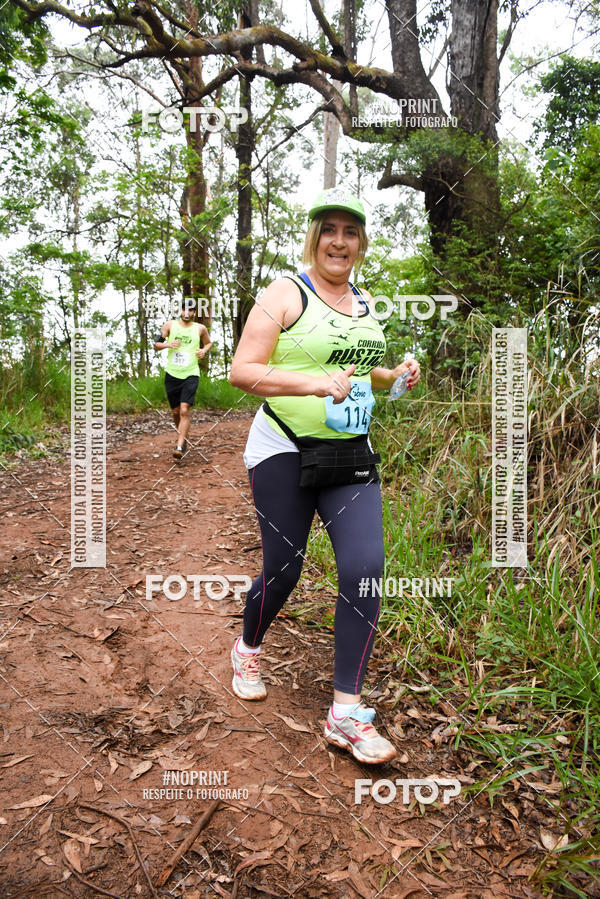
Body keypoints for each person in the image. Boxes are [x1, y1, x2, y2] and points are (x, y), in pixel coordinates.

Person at [229, 187, 421, 764]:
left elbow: (362, 373)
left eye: (351, 232)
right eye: (329, 230)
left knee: (365, 568)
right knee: (283, 571)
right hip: (283, 448)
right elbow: (243, 370)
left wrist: (395, 377)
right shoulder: (285, 293)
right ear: (315, 237)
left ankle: (344, 711)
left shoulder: (364, 301)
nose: (340, 242)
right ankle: (248, 646)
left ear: (361, 243)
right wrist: (314, 383)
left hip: (349, 456)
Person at [154, 298, 212, 459]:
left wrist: (203, 351)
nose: (187, 313)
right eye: (184, 310)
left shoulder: (200, 328)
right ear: (180, 310)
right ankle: (183, 436)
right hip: (172, 374)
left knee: (185, 409)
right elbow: (156, 345)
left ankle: (180, 445)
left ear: (194, 312)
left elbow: (208, 343)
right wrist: (168, 344)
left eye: (191, 310)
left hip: (191, 373)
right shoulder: (169, 325)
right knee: (175, 411)